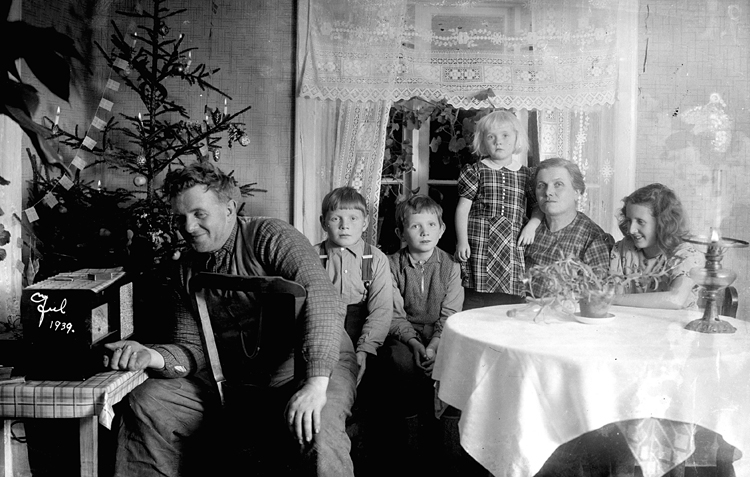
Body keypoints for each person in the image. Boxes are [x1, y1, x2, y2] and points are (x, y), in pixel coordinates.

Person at [104, 162, 358, 477]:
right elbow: (192, 347)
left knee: (317, 425)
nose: (188, 227)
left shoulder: (272, 236)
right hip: (236, 377)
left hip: (314, 365)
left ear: (229, 209)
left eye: (199, 214)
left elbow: (322, 298)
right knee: (148, 401)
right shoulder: (185, 268)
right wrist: (151, 355)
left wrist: (315, 384)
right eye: (180, 217)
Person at [384, 195, 464, 474]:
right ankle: (411, 450)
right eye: (416, 226)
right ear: (400, 233)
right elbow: (393, 314)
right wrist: (416, 344)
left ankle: (448, 452)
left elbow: (450, 313)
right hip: (404, 334)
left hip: (442, 334)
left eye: (431, 225)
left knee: (454, 364)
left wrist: (435, 344)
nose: (425, 232)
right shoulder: (390, 265)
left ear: (442, 230)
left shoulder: (451, 266)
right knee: (402, 362)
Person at [455, 110, 541, 309]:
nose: (498, 142)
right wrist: (462, 241)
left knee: (510, 299)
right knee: (476, 297)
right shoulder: (476, 170)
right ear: (483, 141)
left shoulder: (526, 174)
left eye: (505, 135)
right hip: (481, 243)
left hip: (511, 245)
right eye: (491, 137)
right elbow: (462, 210)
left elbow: (537, 207)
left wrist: (531, 226)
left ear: (516, 138)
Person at [316, 186, 392, 386]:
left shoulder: (376, 258)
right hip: (324, 327)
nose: (345, 226)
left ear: (365, 223)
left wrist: (365, 349)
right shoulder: (312, 256)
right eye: (336, 219)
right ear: (323, 222)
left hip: (363, 329)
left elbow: (381, 309)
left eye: (353, 218)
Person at [610, 183, 703, 309]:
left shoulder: (686, 256)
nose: (631, 230)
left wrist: (614, 299)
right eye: (629, 220)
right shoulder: (623, 249)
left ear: (662, 223)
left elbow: (675, 299)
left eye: (640, 222)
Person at [525, 157, 614, 273]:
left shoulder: (593, 239)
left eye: (558, 184)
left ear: (577, 192)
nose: (548, 192)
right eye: (541, 185)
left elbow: (598, 284)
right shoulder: (528, 230)